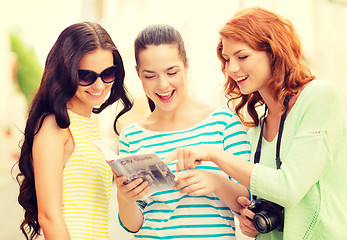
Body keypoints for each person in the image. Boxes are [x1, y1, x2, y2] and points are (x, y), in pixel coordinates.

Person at [165, 7, 347, 240]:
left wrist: (214, 154)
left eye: (242, 56)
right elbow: (265, 200)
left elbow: (288, 189)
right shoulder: (256, 132)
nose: (231, 69)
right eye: (227, 59)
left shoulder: (319, 97)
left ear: (273, 52)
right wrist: (249, 218)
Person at [115, 24, 251, 239]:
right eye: (150, 76)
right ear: (138, 74)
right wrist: (124, 197)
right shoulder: (132, 136)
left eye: (172, 72)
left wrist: (215, 182)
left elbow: (248, 201)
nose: (163, 85)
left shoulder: (224, 123)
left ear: (186, 66)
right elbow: (134, 225)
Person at [15, 22, 133, 240]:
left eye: (108, 73)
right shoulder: (55, 125)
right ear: (65, 72)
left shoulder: (89, 128)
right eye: (86, 76)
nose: (99, 86)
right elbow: (49, 216)